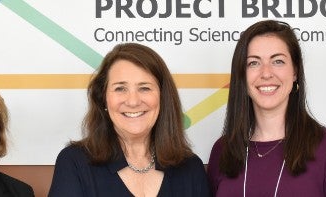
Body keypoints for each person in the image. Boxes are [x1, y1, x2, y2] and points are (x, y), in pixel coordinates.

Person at [207, 20, 326, 197]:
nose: (266, 73)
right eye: (253, 63)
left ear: (295, 71)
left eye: (278, 61)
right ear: (242, 76)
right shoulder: (223, 150)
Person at [48, 43, 210, 197]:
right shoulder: (74, 162)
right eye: (120, 88)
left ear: (163, 97)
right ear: (103, 98)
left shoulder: (191, 168)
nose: (133, 101)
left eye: (144, 88)